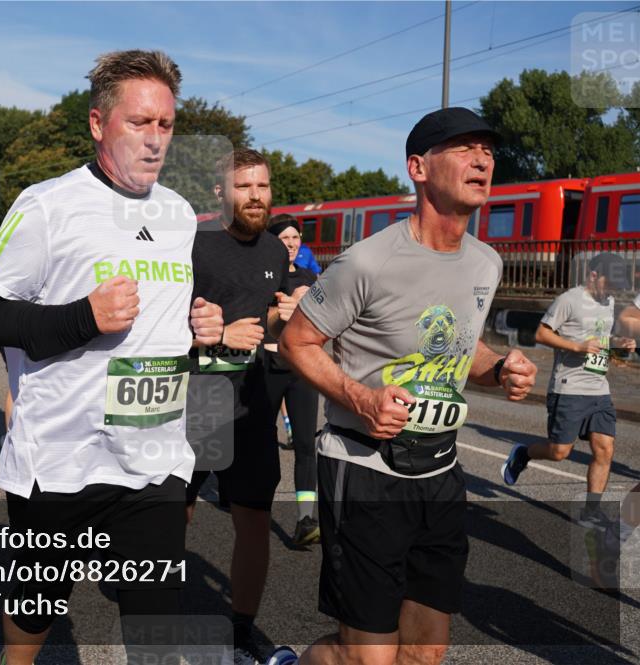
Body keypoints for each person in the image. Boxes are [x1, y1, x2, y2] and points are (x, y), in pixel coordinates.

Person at [0, 50, 223, 665]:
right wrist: (83, 316)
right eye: (139, 123)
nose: (155, 139)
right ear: (97, 124)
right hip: (59, 457)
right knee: (36, 604)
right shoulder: (47, 204)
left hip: (153, 459)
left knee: (157, 621)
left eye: (165, 124)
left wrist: (199, 325)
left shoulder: (179, 215)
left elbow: (168, 316)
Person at [268, 107, 537, 665]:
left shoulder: (486, 262)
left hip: (440, 475)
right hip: (365, 470)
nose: (482, 160)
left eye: (486, 150)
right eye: (463, 148)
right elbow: (297, 342)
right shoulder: (367, 261)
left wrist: (498, 368)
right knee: (368, 657)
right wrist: (361, 398)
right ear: (418, 167)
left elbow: (463, 349)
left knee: (426, 652)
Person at [184, 148, 293, 664]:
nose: (256, 196)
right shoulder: (194, 245)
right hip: (195, 393)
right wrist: (214, 334)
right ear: (220, 193)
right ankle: (152, 600)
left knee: (253, 516)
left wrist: (281, 321)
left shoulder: (276, 252)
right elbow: (159, 323)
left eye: (263, 187)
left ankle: (241, 628)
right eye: (245, 187)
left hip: (251, 397)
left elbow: (264, 325)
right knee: (174, 511)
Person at [502, 253, 636, 526]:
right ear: (594, 275)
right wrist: (577, 346)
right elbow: (541, 333)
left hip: (599, 388)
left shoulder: (608, 301)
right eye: (609, 283)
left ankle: (591, 511)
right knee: (559, 452)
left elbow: (600, 340)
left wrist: (619, 344)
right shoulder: (570, 300)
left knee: (605, 448)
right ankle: (523, 454)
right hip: (569, 387)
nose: (612, 290)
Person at [264, 214, 320, 548]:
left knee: (305, 443)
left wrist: (309, 298)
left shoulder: (311, 277)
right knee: (260, 439)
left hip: (300, 369)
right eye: (284, 237)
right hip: (266, 363)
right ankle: (254, 503)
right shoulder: (260, 275)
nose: (291, 243)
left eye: (295, 237)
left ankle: (305, 519)